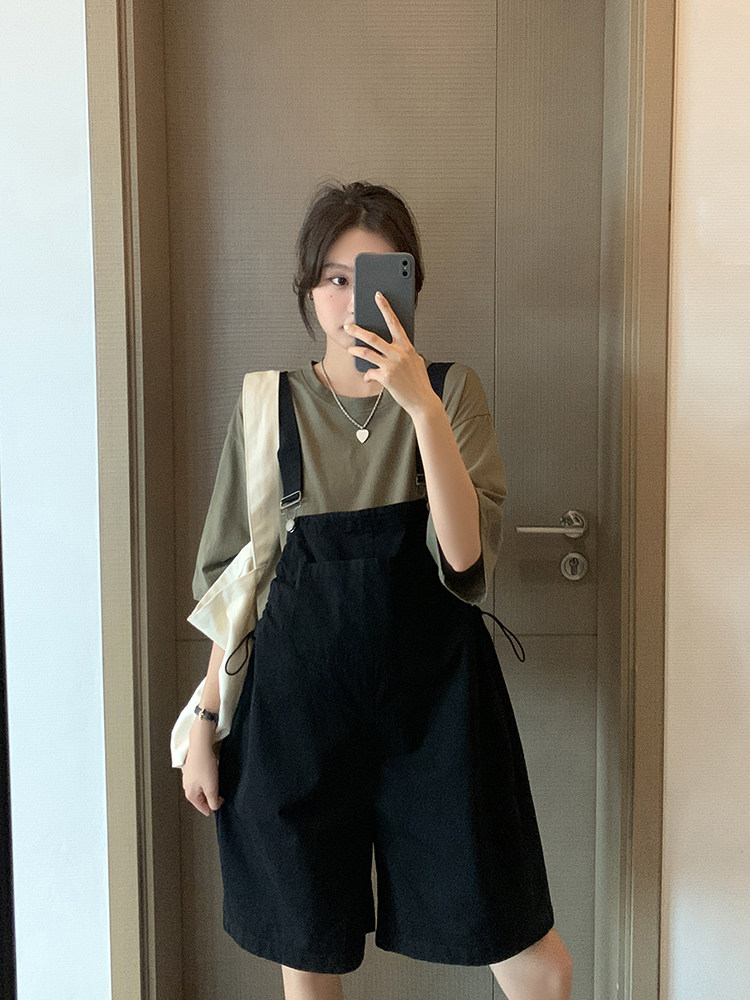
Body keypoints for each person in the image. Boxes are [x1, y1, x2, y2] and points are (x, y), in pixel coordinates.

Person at [179, 181, 573, 1000]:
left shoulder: (452, 393)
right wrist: (208, 720)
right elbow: (237, 582)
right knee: (309, 959)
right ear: (307, 290)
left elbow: (465, 559)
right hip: (293, 717)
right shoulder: (266, 406)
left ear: (410, 285)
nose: (353, 300)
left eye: (377, 277)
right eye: (333, 278)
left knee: (538, 963)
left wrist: (420, 407)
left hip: (439, 717)